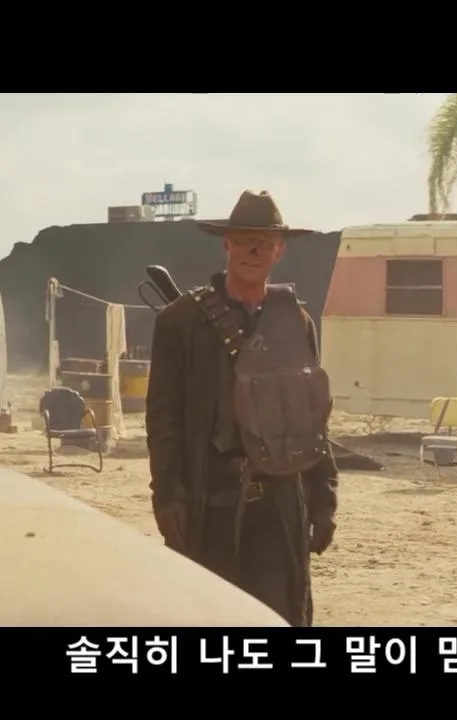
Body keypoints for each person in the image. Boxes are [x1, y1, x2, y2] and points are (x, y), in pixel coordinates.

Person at [144, 190, 338, 627]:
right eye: (245, 240)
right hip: (208, 505)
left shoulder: (296, 322)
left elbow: (311, 418)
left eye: (264, 243)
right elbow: (163, 421)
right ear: (226, 244)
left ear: (279, 251)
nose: (253, 251)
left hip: (280, 507)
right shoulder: (180, 322)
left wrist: (323, 498)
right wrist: (167, 494)